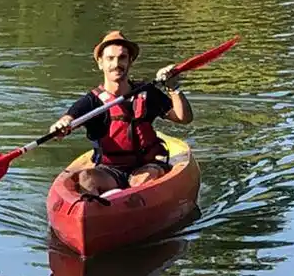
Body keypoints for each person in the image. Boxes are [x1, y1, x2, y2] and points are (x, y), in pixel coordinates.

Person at [49, 29, 192, 197]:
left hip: (146, 166)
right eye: (110, 58)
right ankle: (97, 208)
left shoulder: (147, 93)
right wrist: (61, 126)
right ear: (100, 63)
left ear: (130, 61)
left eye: (122, 57)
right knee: (86, 178)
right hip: (109, 171)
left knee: (144, 179)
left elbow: (184, 118)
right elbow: (66, 120)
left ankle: (125, 201)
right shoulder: (92, 102)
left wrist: (173, 88)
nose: (116, 64)